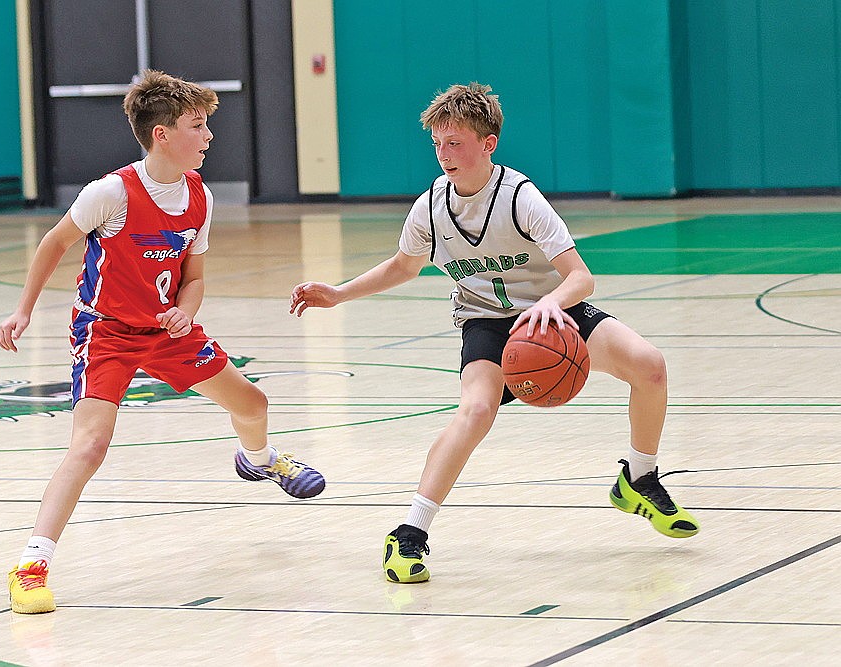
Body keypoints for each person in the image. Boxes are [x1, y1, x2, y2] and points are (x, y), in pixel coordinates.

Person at [289, 82, 697, 584]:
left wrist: (550, 303)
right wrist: (338, 293)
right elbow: (403, 266)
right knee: (476, 409)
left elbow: (581, 277)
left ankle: (638, 477)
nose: (444, 154)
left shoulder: (520, 197)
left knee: (650, 365)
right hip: (485, 323)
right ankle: (409, 532)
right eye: (437, 143)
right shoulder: (430, 208)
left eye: (455, 142)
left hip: (552, 313)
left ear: (488, 144)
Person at [0, 70, 325, 613]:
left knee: (254, 403)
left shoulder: (199, 196)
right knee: (91, 445)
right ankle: (32, 564)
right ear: (163, 135)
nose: (209, 135)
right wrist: (22, 309)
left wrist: (184, 313)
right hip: (106, 332)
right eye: (198, 125)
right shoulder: (111, 193)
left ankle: (258, 459)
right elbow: (54, 244)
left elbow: (193, 278)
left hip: (165, 330)